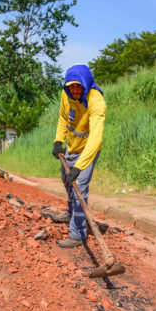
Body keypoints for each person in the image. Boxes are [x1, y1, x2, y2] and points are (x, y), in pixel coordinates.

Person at [50, 64, 107, 248]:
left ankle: (77, 234)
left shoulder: (96, 102)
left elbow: (95, 140)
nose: (74, 90)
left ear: (85, 84)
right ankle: (70, 212)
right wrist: (58, 141)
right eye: (71, 86)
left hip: (88, 151)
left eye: (78, 86)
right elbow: (63, 118)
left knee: (80, 188)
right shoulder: (66, 95)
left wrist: (79, 167)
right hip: (71, 147)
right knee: (67, 181)